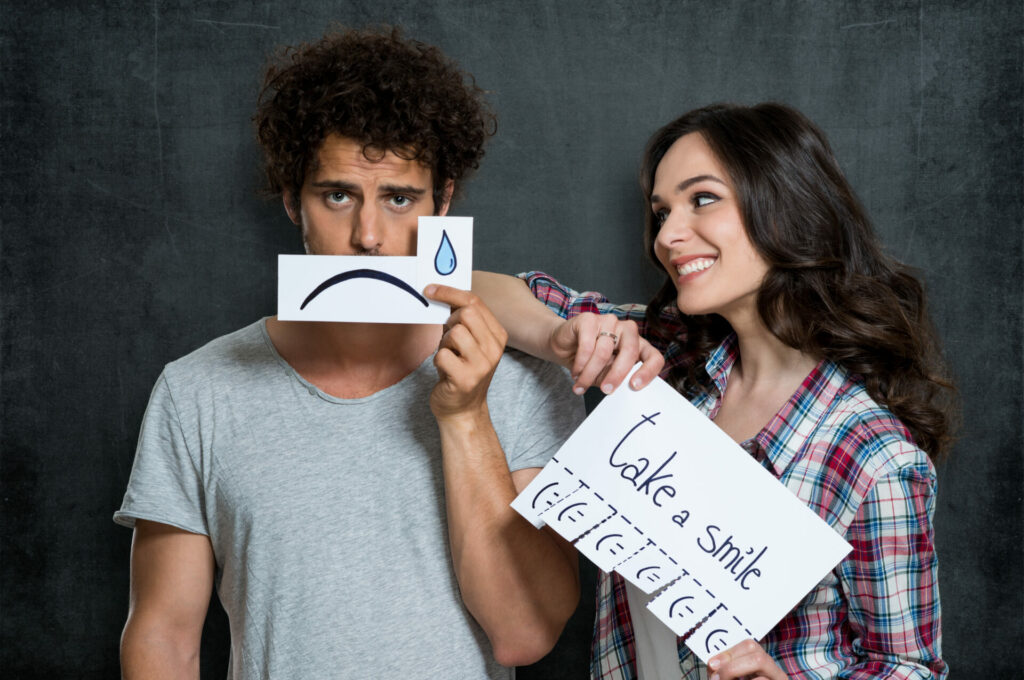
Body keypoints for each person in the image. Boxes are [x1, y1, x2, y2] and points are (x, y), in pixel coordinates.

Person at [114, 27, 593, 679]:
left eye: (399, 198)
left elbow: (525, 634)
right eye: (338, 195)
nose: (368, 236)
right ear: (293, 199)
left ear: (442, 203)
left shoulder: (522, 381)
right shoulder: (198, 390)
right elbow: (163, 638)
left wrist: (466, 416)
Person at [474, 102, 955, 679]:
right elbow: (476, 290)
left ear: (783, 203)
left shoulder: (873, 458)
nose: (668, 237)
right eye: (661, 212)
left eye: (702, 199)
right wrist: (560, 337)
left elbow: (908, 667)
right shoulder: (673, 359)